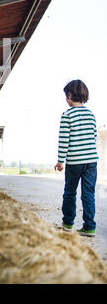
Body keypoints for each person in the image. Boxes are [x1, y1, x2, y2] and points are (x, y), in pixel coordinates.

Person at [54, 79, 98, 237]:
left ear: (70, 95)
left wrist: (60, 160)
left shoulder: (67, 115)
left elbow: (64, 139)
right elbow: (93, 136)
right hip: (91, 160)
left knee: (70, 192)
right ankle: (89, 226)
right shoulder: (91, 114)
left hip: (74, 162)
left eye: (66, 95)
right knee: (88, 193)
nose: (66, 99)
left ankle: (67, 224)